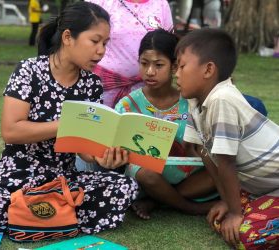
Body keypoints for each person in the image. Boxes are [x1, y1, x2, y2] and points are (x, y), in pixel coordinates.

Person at [0, 2, 138, 235]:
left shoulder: (91, 84)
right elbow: (11, 131)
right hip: (18, 175)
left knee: (124, 186)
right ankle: (60, 218)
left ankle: (30, 217)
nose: (101, 50)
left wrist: (104, 159)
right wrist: (65, 125)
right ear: (68, 37)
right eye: (95, 41)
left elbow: (85, 149)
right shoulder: (28, 71)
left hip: (64, 180)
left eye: (105, 43)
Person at [175, 28, 279, 249]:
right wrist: (226, 201)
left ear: (208, 69)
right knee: (219, 219)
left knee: (246, 237)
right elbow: (207, 157)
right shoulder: (195, 104)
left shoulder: (222, 98)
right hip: (259, 189)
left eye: (182, 66)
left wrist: (234, 212)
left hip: (272, 183)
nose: (176, 73)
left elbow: (226, 162)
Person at [114, 29, 216, 219]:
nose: (150, 72)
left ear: (174, 66)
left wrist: (197, 150)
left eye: (159, 65)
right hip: (147, 177)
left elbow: (205, 147)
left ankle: (158, 201)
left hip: (189, 174)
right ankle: (189, 207)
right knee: (145, 173)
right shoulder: (127, 105)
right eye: (144, 64)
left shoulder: (191, 101)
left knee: (220, 169)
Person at [85, 0, 173, 108]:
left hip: (146, 91)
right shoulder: (100, 2)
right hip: (103, 87)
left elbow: (168, 46)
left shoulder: (161, 4)